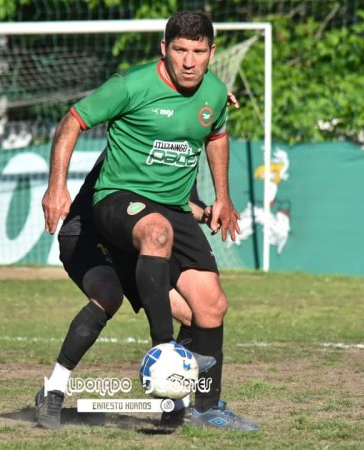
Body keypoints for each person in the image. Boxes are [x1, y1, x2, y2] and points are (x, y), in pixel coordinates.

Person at [42, 10, 258, 431]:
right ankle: (150, 362)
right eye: (181, 50)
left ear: (212, 53)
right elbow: (72, 121)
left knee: (209, 306)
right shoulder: (131, 86)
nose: (190, 61)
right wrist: (57, 187)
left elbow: (216, 135)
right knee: (109, 291)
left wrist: (222, 199)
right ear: (165, 49)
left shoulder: (212, 94)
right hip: (110, 210)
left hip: (165, 218)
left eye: (199, 52)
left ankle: (204, 407)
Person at [35, 151, 216, 430]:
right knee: (108, 294)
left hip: (131, 244)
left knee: (193, 314)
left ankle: (173, 397)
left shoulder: (184, 149)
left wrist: (207, 212)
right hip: (87, 231)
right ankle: (54, 390)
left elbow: (179, 202)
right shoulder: (136, 135)